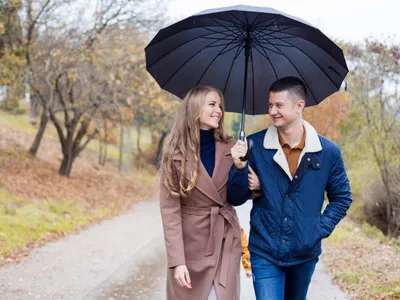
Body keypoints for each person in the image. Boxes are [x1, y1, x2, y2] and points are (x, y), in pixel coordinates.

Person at [228, 77, 352, 300]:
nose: (272, 111)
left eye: (279, 105)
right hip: (264, 251)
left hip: (304, 254)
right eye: (270, 105)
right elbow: (236, 197)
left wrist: (318, 229)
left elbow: (342, 198)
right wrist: (239, 166)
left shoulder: (327, 151)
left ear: (299, 106)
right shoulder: (254, 146)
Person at [159, 85, 242, 300]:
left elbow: (238, 196)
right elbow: (170, 213)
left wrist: (241, 167)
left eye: (221, 106)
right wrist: (177, 262)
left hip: (224, 240)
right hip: (191, 246)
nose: (219, 111)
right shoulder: (174, 152)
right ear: (195, 108)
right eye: (212, 104)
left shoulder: (232, 147)